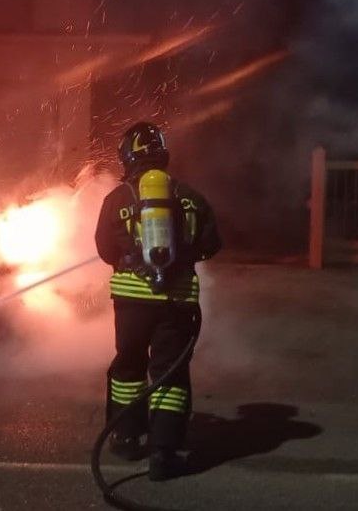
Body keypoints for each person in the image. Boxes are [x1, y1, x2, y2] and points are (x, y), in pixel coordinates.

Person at [94, 121, 221, 481]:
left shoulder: (117, 199)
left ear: (128, 156)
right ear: (162, 155)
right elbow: (212, 245)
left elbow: (104, 249)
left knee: (129, 366)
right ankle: (164, 454)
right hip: (178, 302)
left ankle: (125, 437)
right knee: (169, 371)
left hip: (132, 303)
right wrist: (182, 254)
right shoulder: (191, 197)